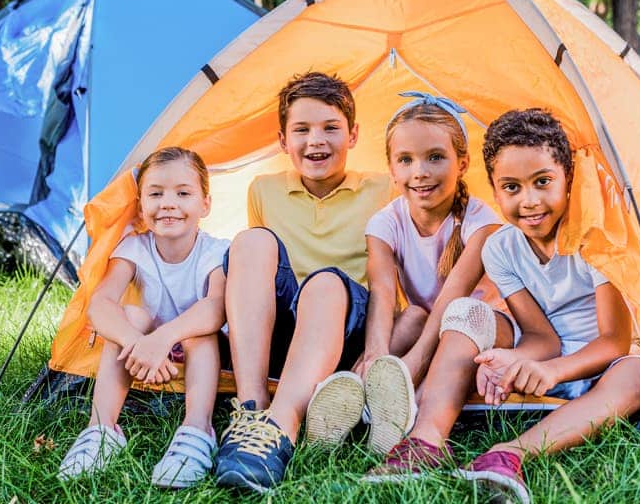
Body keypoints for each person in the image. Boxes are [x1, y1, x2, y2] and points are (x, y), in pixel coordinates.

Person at [456, 109, 640, 503]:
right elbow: (539, 335)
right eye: (512, 187)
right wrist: (515, 361)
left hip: (599, 363)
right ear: (495, 192)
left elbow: (614, 341)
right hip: (545, 366)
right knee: (476, 357)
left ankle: (509, 454)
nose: (529, 201)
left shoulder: (595, 239)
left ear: (568, 179)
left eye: (542, 182)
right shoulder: (499, 249)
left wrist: (552, 371)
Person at [304, 93, 511, 474]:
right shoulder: (385, 222)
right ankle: (358, 392)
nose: (420, 172)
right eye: (406, 160)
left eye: (435, 157)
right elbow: (383, 294)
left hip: (484, 328)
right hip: (429, 324)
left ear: (462, 163)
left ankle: (394, 405)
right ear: (391, 169)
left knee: (459, 315)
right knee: (412, 314)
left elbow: (452, 298)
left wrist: (411, 364)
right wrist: (376, 357)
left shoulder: (482, 223)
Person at [212, 72, 391, 493]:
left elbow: (390, 274)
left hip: (344, 329)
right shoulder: (263, 190)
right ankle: (251, 410)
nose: (316, 141)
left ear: (353, 135)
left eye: (331, 128)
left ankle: (282, 425)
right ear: (282, 140)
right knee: (252, 241)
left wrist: (379, 348)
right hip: (286, 331)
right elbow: (260, 278)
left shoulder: (385, 188)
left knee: (325, 283)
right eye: (302, 130)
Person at [57, 146, 230, 489]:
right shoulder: (134, 248)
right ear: (140, 206)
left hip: (200, 351)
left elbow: (215, 308)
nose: (168, 203)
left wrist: (162, 339)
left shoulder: (216, 251)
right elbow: (100, 304)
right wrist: (137, 343)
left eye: (183, 193)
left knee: (198, 330)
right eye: (155, 193)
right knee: (131, 316)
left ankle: (198, 430)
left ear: (205, 204)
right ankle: (101, 430)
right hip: (144, 351)